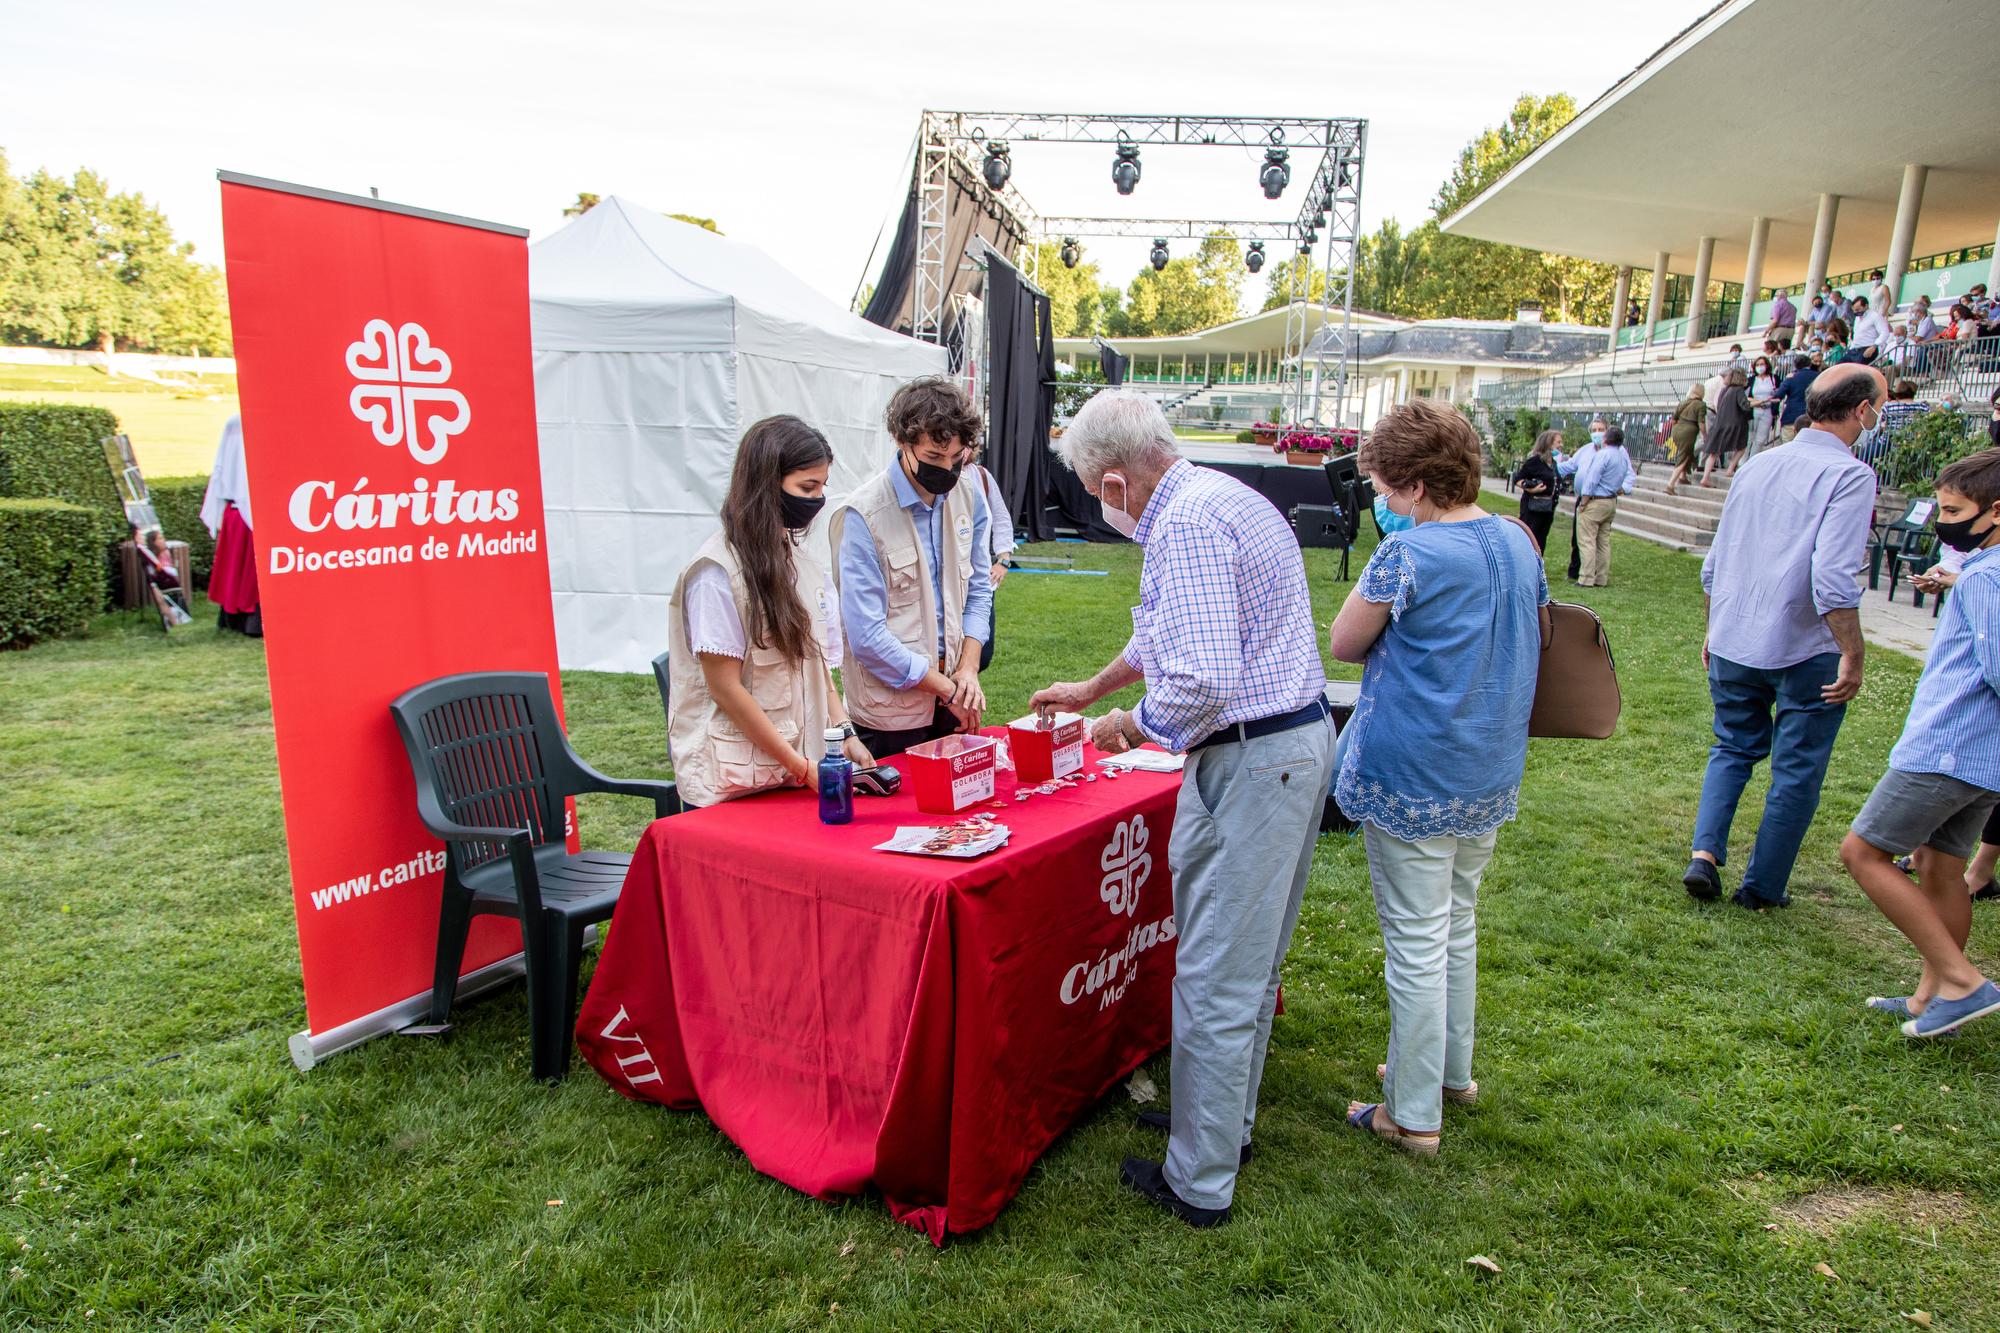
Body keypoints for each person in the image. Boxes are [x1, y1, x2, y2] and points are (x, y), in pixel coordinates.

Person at [1029, 390, 1330, 1228]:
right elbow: (1167, 633)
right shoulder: (1217, 498)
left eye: (1095, 489)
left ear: (1116, 481)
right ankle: (1217, 1126)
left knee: (1217, 974)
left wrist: (1124, 726)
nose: (1099, 505)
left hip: (1249, 757)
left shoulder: (1187, 524)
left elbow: (1200, 679)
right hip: (1281, 747)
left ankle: (1199, 1179)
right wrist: (1096, 685)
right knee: (1245, 963)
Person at [1326, 400, 1547, 1156]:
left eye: (1386, 489)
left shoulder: (1409, 555)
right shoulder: (1518, 540)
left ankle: (1413, 1111)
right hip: (1485, 763)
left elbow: (1346, 641)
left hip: (1415, 765)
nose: (1382, 503)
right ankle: (1447, 1072)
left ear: (1418, 485)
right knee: (1456, 921)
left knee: (1418, 938)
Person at [1682, 364, 1881, 910]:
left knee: (1731, 748)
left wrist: (1713, 626)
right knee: (1796, 769)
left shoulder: (1757, 465)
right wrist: (1853, 652)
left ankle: (1705, 855)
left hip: (1736, 635)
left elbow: (1715, 564)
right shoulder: (1850, 475)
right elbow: (1834, 579)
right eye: (1878, 407)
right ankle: (1762, 887)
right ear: (1861, 411)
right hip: (1804, 647)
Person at [1841, 448, 2000, 1038]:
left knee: (1861, 853)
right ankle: (1933, 1002)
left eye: (1955, 510)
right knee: (1940, 867)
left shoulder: (1985, 577)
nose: (1944, 521)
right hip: (1986, 757)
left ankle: (1962, 982)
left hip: (1950, 749)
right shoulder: (1983, 573)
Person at [664, 417, 874, 807]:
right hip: (736, 785)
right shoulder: (715, 572)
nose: (817, 500)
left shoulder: (800, 563)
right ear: (766, 484)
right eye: (807, 487)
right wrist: (800, 766)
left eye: (822, 487)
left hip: (793, 774)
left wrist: (846, 735)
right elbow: (726, 689)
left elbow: (817, 667)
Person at [833, 376, 993, 759]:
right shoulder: (864, 515)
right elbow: (866, 637)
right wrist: (947, 688)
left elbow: (979, 590)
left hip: (953, 695)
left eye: (958, 458)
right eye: (934, 459)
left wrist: (967, 671)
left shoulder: (968, 494)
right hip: (890, 715)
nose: (948, 471)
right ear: (903, 444)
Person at [1560, 422, 1634, 586]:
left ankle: (1586, 578)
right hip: (1610, 501)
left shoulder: (1603, 454)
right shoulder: (1621, 456)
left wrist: (1584, 502)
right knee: (1603, 543)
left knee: (1586, 541)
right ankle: (1601, 577)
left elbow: (1592, 479)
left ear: (1606, 438)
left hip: (1596, 501)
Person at [967, 454, 1016, 672]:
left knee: (983, 654)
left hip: (980, 581)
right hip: (946, 583)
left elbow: (1001, 518)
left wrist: (1003, 560)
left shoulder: (981, 475)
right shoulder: (938, 477)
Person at [1512, 430, 1562, 552]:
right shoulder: (1535, 462)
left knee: (1541, 540)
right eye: (1558, 442)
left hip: (1547, 510)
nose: (1561, 445)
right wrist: (1532, 489)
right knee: (1530, 539)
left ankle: (1537, 564)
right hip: (1533, 510)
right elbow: (1518, 479)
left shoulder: (1553, 464)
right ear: (1548, 443)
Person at [1704, 367, 1752, 485]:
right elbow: (1744, 406)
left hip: (1720, 424)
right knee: (1741, 447)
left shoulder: (1725, 390)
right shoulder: (1738, 390)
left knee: (1714, 453)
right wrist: (1755, 403)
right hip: (1735, 425)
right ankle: (1730, 469)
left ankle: (1705, 477)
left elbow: (1718, 405)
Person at [1665, 382, 1708, 495]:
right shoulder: (1701, 405)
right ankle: (1670, 484)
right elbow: (1701, 423)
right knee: (1684, 457)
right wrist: (1705, 435)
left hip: (1677, 430)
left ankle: (1683, 477)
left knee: (1686, 453)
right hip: (1689, 431)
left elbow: (1673, 420)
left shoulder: (1683, 403)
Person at [1774, 352, 1820, 442]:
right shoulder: (1818, 376)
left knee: (1787, 445)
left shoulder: (1791, 377)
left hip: (1791, 417)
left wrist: (1774, 412)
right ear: (1809, 364)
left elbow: (1778, 396)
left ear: (1795, 365)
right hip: (1812, 417)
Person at [1748, 354, 1781, 459]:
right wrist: (1759, 401)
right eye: (1757, 364)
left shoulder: (1774, 378)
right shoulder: (1752, 379)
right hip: (1754, 410)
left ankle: (1753, 459)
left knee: (1761, 439)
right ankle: (1742, 461)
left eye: (1762, 364)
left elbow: (1778, 393)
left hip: (1768, 410)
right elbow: (1747, 396)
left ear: (1767, 365)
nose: (1760, 366)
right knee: (1749, 437)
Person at [1849, 296, 1889, 364]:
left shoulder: (1875, 316)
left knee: (1857, 370)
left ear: (1866, 306)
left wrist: (1874, 347)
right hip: (1854, 349)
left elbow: (1884, 332)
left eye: (1858, 309)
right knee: (1838, 367)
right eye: (1854, 310)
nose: (1856, 312)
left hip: (1868, 348)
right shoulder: (1858, 318)